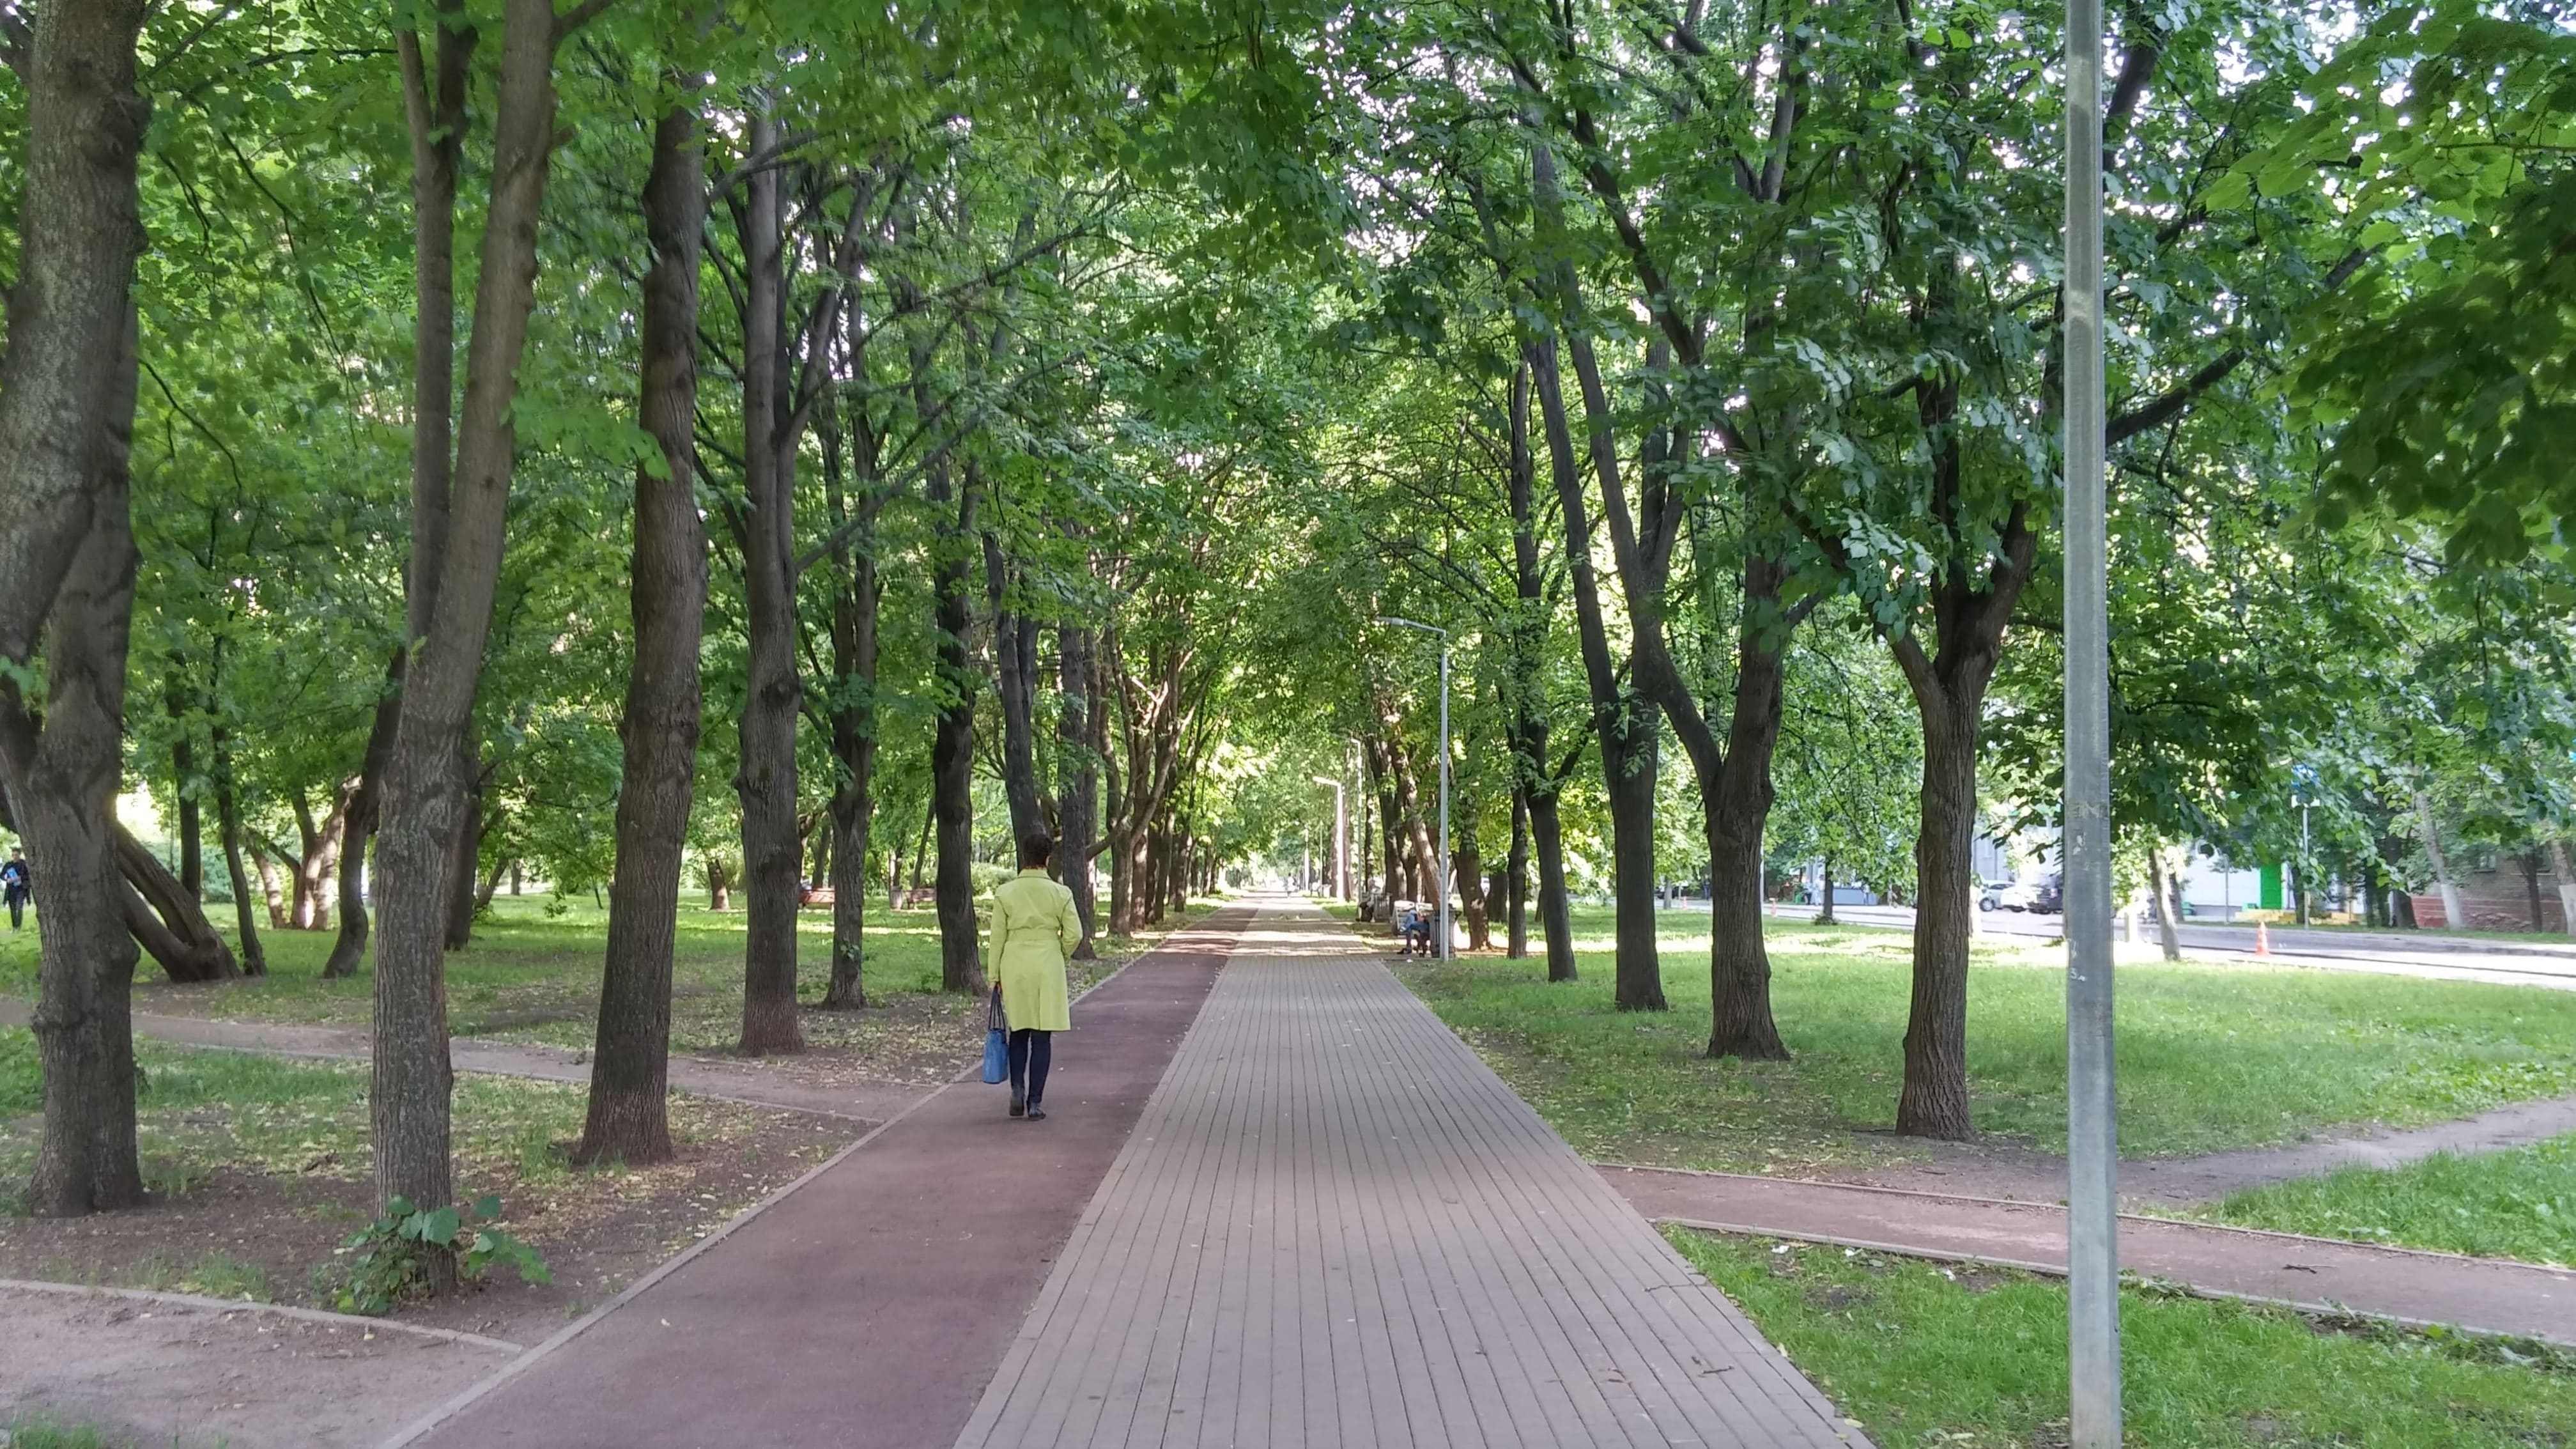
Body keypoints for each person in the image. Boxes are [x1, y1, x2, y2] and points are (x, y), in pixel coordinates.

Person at [987, 831, 1081, 1121]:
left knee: (1019, 1031)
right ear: (1048, 859)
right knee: (1042, 1036)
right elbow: (1075, 934)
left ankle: (1017, 1088)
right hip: (1047, 962)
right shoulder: (1061, 894)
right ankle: (1035, 1103)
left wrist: (994, 976)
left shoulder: (1005, 893)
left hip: (1014, 962)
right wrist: (1060, 952)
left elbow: (997, 938)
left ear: (1024, 857)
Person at [2, 852, 26, 931]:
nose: (15, 857)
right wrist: (7, 879)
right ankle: (15, 927)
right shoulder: (8, 865)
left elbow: (27, 875)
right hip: (11, 890)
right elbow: (2, 875)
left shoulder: (23, 864)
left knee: (19, 907)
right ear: (12, 856)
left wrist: (20, 878)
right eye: (14, 855)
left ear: (20, 855)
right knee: (13, 909)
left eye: (17, 855)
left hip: (20, 889)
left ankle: (19, 926)